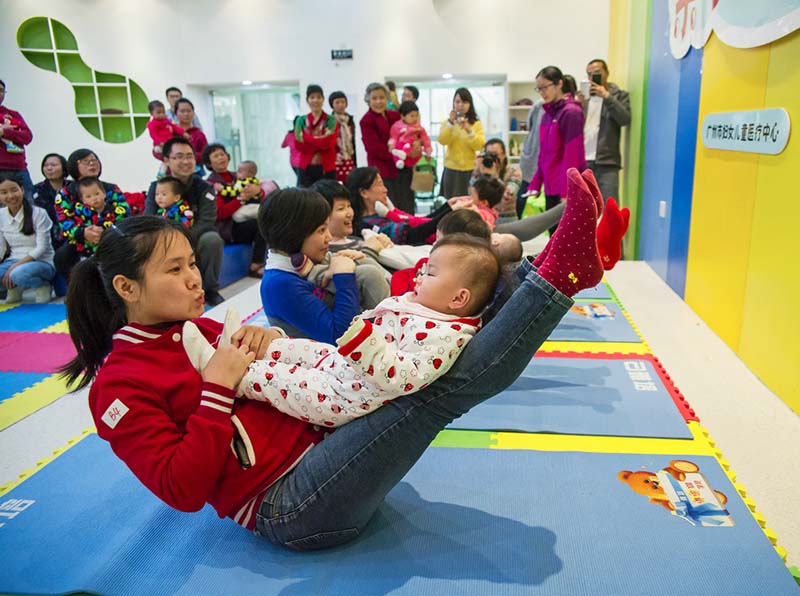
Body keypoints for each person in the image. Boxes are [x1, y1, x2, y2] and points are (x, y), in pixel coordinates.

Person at [60, 166, 608, 550]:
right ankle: (561, 274)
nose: (195, 278)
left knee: (445, 339)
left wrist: (267, 345)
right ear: (127, 288)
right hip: (288, 505)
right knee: (432, 392)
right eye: (175, 270)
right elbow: (180, 488)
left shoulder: (195, 327)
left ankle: (549, 268)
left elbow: (285, 364)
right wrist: (218, 390)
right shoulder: (117, 388)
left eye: (190, 263)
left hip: (325, 436)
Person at [185, 234, 499, 428]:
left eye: (429, 273)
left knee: (282, 381)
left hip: (346, 396)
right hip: (344, 364)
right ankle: (241, 348)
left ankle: (225, 373)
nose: (419, 277)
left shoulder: (446, 337)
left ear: (458, 299)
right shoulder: (429, 308)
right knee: (301, 348)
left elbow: (403, 377)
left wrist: (365, 341)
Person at [259, 188, 362, 343]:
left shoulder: (309, 261)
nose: (329, 237)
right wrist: (344, 275)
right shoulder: (281, 284)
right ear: (294, 234)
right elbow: (344, 338)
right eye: (321, 230)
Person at [145, 137, 225, 306]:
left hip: (195, 237)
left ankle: (210, 290)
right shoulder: (157, 187)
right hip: (164, 239)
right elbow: (149, 218)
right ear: (167, 160)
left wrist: (182, 239)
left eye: (189, 156)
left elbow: (207, 220)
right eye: (179, 156)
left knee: (212, 239)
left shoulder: (204, 188)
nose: (186, 161)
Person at [306, 179, 391, 310]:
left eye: (349, 206)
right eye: (341, 208)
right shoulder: (324, 253)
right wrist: (368, 252)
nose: (349, 213)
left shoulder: (356, 238)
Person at [526, 66, 587, 235]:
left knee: (566, 238)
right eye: (539, 88)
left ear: (559, 84)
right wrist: (536, 183)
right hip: (551, 187)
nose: (542, 92)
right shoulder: (547, 114)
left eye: (545, 87)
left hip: (565, 188)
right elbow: (544, 154)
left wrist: (567, 192)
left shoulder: (571, 112)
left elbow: (573, 154)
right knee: (553, 235)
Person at [347, 167, 469, 246]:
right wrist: (449, 212)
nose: (385, 189)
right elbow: (412, 234)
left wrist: (447, 207)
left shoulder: (381, 214)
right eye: (379, 185)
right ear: (364, 193)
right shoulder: (368, 225)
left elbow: (417, 222)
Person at [203, 143, 266, 278]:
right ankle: (256, 265)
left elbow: (259, 195)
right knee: (260, 224)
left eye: (222, 154)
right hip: (228, 228)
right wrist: (240, 199)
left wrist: (258, 192)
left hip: (243, 219)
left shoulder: (239, 175)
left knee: (268, 218)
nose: (221, 158)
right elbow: (220, 213)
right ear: (209, 163)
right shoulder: (211, 184)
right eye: (215, 156)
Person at [575, 58, 631, 205]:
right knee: (584, 207)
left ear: (607, 73)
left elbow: (625, 119)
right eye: (589, 74)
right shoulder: (584, 99)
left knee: (610, 207)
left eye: (597, 73)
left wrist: (607, 96)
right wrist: (577, 105)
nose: (592, 77)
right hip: (583, 161)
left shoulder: (619, 96)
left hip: (607, 162)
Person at [53, 177, 130, 281]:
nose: (94, 198)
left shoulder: (111, 209)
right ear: (83, 199)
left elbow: (123, 217)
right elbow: (65, 223)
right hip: (86, 248)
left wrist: (104, 230)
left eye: (97, 194)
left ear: (104, 193)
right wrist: (83, 232)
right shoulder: (81, 211)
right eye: (88, 196)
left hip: (110, 244)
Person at [360, 83, 416, 215]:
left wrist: (415, 147)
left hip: (403, 168)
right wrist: (400, 154)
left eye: (381, 97)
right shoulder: (366, 120)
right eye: (374, 98)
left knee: (407, 205)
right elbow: (374, 148)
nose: (378, 101)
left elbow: (409, 133)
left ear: (387, 98)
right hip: (383, 171)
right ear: (368, 100)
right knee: (390, 208)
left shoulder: (395, 115)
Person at [0, 175, 55, 303]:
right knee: (13, 273)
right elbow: (1, 247)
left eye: (14, 190)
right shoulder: (1, 215)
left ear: (22, 190)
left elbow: (42, 248)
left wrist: (15, 266)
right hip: (13, 261)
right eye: (4, 192)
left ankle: (43, 285)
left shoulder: (39, 213)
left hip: (42, 262)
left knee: (17, 274)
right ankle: (15, 286)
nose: (10, 196)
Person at [438, 87, 485, 199]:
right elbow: (442, 140)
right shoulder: (447, 123)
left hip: (469, 169)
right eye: (457, 102)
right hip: (451, 169)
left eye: (464, 102)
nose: (461, 105)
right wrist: (450, 123)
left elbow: (480, 145)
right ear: (453, 103)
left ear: (470, 104)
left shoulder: (476, 123)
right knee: (451, 202)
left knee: (468, 201)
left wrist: (469, 130)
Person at [295, 85, 339, 187]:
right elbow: (299, 144)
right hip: (305, 168)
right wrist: (320, 139)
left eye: (319, 97)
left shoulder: (331, 120)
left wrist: (306, 138)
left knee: (328, 195)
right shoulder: (301, 120)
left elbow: (329, 143)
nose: (315, 100)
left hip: (327, 167)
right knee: (304, 195)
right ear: (307, 100)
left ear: (323, 99)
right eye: (312, 97)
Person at [472, 138, 523, 224]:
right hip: (485, 218)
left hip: (507, 220)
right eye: (488, 154)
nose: (492, 158)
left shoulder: (514, 171)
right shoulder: (482, 170)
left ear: (504, 155)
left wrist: (494, 176)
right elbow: (472, 193)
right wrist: (476, 171)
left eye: (495, 154)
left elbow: (507, 197)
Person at [0, 80, 34, 201]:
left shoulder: (13, 114)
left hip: (19, 168)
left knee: (29, 205)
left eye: (1, 90)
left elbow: (27, 137)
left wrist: (5, 132)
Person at [32, 153, 68, 248]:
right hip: (46, 233)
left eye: (54, 165)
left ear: (64, 167)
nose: (49, 168)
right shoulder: (37, 190)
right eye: (46, 165)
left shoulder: (73, 187)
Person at [518, 98, 545, 217]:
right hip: (532, 160)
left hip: (548, 165)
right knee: (523, 200)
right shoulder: (539, 105)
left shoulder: (569, 110)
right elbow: (530, 126)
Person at [389, 101, 432, 170]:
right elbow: (393, 137)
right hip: (401, 147)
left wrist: (428, 151)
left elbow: (425, 139)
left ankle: (403, 157)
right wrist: (391, 145)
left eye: (416, 115)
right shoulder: (397, 126)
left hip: (412, 148)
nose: (415, 118)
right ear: (402, 116)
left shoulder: (418, 128)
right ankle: (399, 160)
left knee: (416, 151)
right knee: (398, 146)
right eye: (412, 116)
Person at [328, 91, 357, 184]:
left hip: (349, 157)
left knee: (350, 183)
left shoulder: (349, 120)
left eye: (343, 102)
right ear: (332, 105)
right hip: (336, 158)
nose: (341, 105)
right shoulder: (329, 121)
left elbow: (352, 141)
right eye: (337, 102)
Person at [146, 100, 186, 168]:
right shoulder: (153, 124)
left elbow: (175, 128)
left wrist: (183, 133)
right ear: (152, 114)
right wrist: (159, 142)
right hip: (160, 145)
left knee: (170, 157)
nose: (161, 114)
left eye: (163, 112)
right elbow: (153, 135)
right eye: (158, 113)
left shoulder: (167, 121)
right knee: (168, 158)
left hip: (169, 143)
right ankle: (163, 172)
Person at [174, 98, 208, 169]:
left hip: (195, 172)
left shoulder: (199, 134)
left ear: (193, 113)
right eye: (182, 111)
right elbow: (158, 152)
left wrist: (187, 155)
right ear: (176, 113)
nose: (186, 114)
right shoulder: (171, 132)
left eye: (189, 111)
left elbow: (206, 156)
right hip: (173, 171)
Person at [281, 116, 302, 185]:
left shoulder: (289, 135)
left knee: (301, 180)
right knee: (301, 181)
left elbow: (283, 145)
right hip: (302, 163)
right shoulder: (304, 134)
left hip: (293, 162)